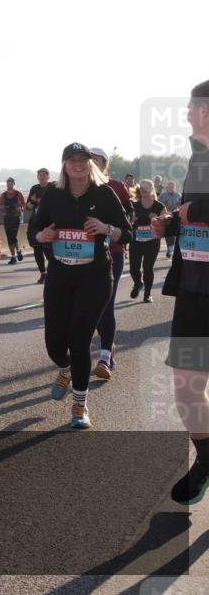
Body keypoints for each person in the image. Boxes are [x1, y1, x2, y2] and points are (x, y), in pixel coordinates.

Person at [35, 143, 132, 429]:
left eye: (83, 159)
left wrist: (106, 229)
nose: (78, 164)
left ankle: (79, 404)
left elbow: (125, 233)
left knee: (79, 341)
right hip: (60, 277)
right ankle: (65, 369)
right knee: (54, 344)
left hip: (95, 278)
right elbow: (34, 229)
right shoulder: (53, 192)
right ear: (64, 164)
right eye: (72, 159)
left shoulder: (104, 193)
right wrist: (43, 235)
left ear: (90, 164)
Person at [153, 79, 209, 505]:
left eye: (191, 107)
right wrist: (171, 222)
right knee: (186, 386)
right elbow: (194, 216)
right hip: (194, 287)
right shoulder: (198, 158)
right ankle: (207, 457)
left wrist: (197, 210)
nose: (187, 114)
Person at [91, 148, 130, 377]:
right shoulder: (80, 187)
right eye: (90, 160)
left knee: (107, 302)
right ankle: (109, 343)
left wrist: (112, 229)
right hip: (88, 254)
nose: (92, 164)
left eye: (97, 160)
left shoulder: (115, 186)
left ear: (105, 164)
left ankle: (104, 356)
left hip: (114, 251)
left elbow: (129, 218)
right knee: (94, 305)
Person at [128, 179, 165, 304]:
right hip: (136, 241)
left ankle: (147, 294)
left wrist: (158, 220)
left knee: (148, 268)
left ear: (152, 189)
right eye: (141, 187)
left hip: (152, 242)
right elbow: (125, 221)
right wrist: (131, 220)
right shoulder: (133, 205)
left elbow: (166, 223)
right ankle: (138, 283)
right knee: (133, 268)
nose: (143, 190)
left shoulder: (159, 206)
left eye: (146, 187)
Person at [25, 168, 53, 284]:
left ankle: (53, 273)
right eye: (39, 175)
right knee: (37, 249)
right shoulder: (34, 188)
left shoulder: (53, 187)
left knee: (48, 251)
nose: (41, 177)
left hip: (49, 223)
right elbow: (28, 207)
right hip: (36, 223)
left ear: (48, 177)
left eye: (44, 175)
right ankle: (43, 273)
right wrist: (33, 201)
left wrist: (41, 202)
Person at [0, 178, 25, 265]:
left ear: (14, 184)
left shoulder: (18, 194)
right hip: (7, 218)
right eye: (8, 184)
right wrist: (4, 210)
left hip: (16, 217)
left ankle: (16, 253)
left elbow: (23, 205)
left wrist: (19, 208)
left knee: (13, 236)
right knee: (9, 237)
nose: (9, 186)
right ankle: (14, 255)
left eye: (11, 184)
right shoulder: (3, 195)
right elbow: (1, 206)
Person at [160, 180, 183, 258]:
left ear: (174, 187)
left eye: (172, 186)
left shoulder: (178, 195)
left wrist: (178, 206)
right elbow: (159, 204)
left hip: (176, 216)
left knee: (176, 233)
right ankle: (170, 249)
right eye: (169, 186)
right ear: (166, 187)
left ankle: (174, 249)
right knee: (169, 233)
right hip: (167, 216)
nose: (171, 188)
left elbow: (181, 203)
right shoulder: (163, 195)